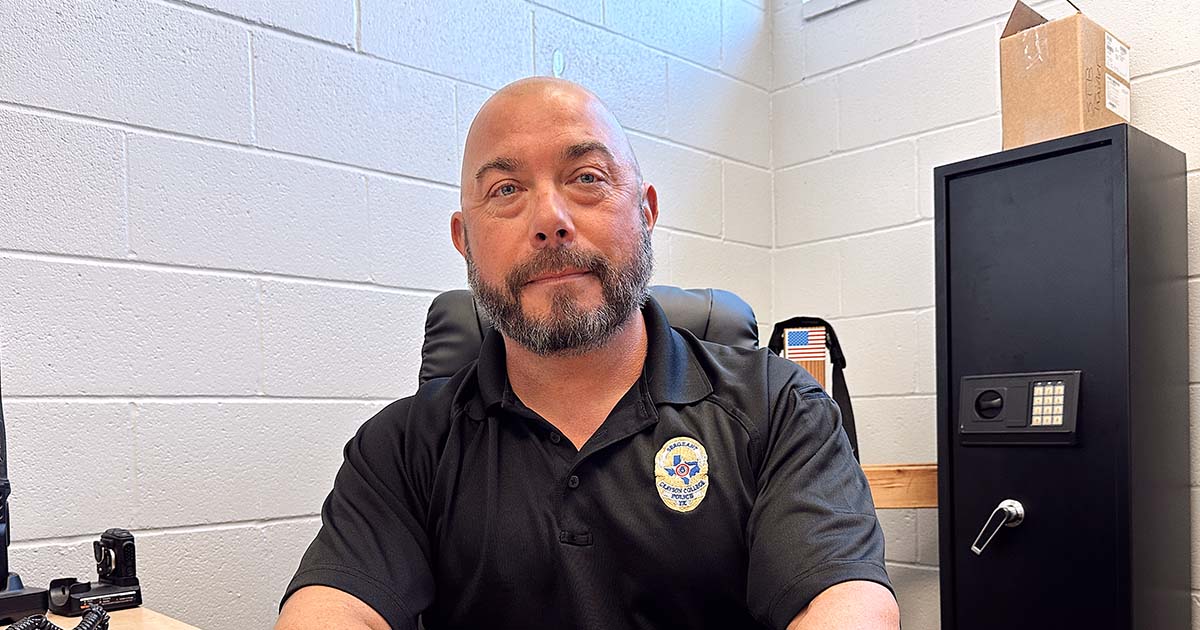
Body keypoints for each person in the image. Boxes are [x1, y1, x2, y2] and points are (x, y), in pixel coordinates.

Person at [275, 77, 899, 630]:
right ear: (464, 242)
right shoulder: (401, 446)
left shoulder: (782, 408)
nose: (550, 219)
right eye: (505, 189)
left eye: (587, 179)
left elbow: (845, 603)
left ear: (645, 212)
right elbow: (335, 607)